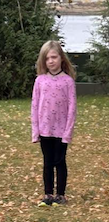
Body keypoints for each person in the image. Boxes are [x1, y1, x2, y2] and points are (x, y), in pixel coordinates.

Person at [31, 41, 77, 206]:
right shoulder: (40, 81)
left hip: (61, 131)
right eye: (47, 58)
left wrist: (67, 133)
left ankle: (61, 195)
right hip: (45, 130)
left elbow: (72, 108)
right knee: (48, 162)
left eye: (54, 57)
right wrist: (35, 131)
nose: (50, 61)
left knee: (60, 161)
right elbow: (35, 106)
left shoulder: (68, 82)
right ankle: (48, 194)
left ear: (61, 58)